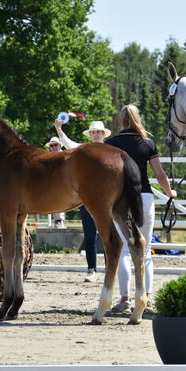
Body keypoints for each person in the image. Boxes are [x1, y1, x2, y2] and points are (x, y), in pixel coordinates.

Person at [105, 104, 177, 312]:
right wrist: (170, 192)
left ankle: (125, 298)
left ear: (121, 121)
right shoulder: (147, 143)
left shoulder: (111, 144)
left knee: (126, 250)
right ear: (138, 119)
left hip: (120, 200)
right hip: (144, 197)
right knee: (145, 252)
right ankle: (147, 296)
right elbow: (160, 174)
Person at [54, 119, 111, 282]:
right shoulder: (84, 149)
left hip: (106, 199)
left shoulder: (110, 150)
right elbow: (67, 143)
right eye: (93, 132)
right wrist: (59, 129)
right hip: (87, 199)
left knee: (108, 235)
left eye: (98, 132)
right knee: (90, 235)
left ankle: (110, 268)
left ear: (102, 134)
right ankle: (91, 269)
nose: (95, 135)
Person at [46, 137, 66, 228]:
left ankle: (59, 220)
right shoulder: (48, 158)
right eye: (51, 145)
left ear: (60, 145)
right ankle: (58, 221)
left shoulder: (66, 155)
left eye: (56, 145)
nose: (54, 147)